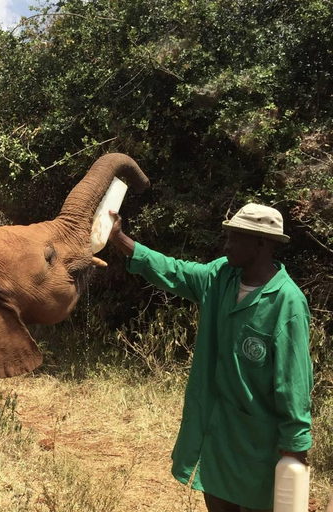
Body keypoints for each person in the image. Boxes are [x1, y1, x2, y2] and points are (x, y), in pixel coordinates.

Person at [108, 203, 313, 512]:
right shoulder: (221, 277)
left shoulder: (287, 302)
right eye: (227, 236)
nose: (226, 244)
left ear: (261, 243)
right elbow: (173, 271)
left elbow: (294, 382)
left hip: (257, 442)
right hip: (217, 434)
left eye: (235, 238)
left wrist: (296, 447)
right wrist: (121, 239)